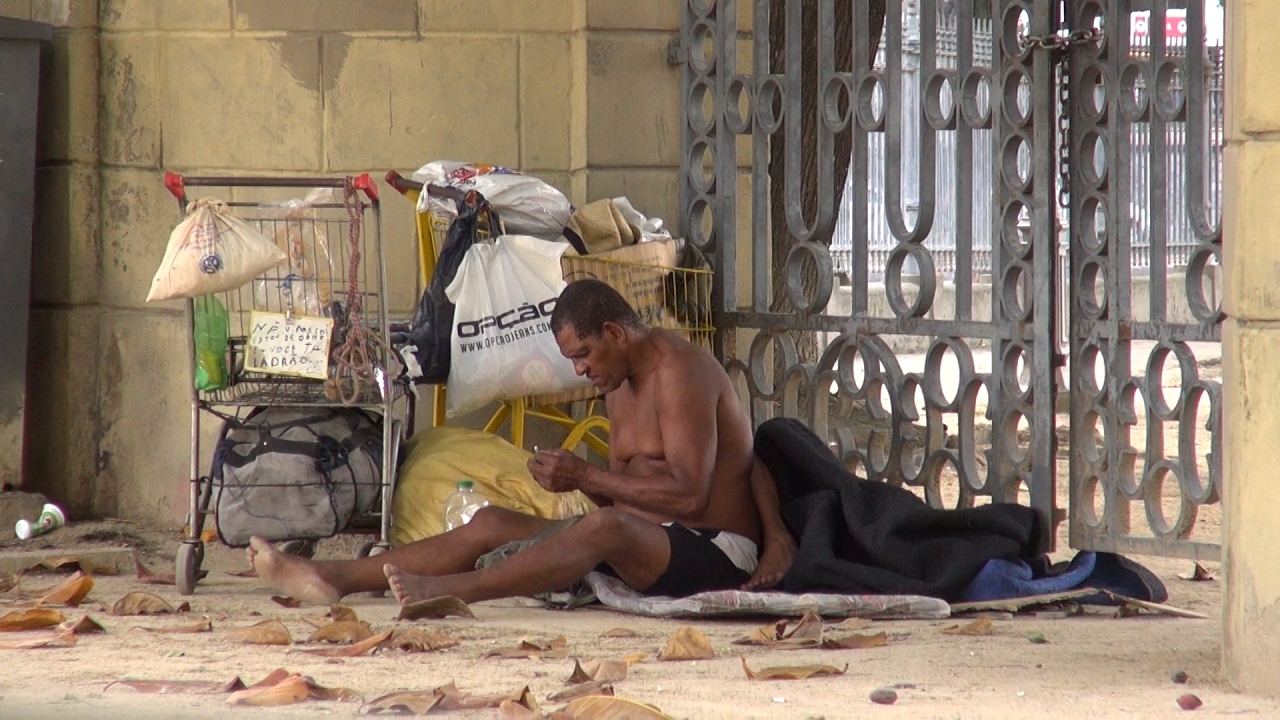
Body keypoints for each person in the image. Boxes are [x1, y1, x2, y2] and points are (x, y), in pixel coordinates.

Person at [248, 279, 796, 606]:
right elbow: (628, 495)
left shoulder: (681, 372)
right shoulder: (617, 381)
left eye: (584, 356)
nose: (581, 372)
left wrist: (585, 479)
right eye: (572, 362)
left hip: (717, 549)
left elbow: (689, 496)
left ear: (615, 333)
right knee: (490, 522)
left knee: (600, 525)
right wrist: (575, 481)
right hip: (646, 541)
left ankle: (452, 592)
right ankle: (333, 577)